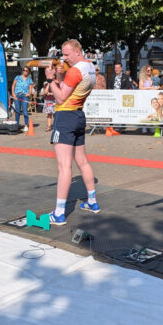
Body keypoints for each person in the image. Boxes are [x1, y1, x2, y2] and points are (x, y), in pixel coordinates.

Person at [44, 39, 97, 225]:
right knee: (82, 161)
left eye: (67, 54)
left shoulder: (75, 70)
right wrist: (60, 78)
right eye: (63, 55)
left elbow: (60, 97)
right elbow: (70, 89)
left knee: (64, 166)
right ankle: (92, 201)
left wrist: (50, 79)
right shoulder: (90, 67)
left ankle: (59, 213)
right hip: (78, 115)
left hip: (66, 117)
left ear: (77, 51)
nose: (64, 58)